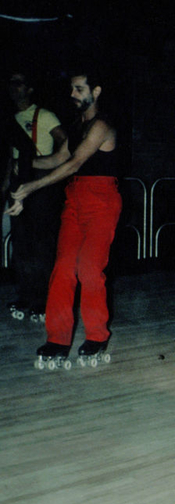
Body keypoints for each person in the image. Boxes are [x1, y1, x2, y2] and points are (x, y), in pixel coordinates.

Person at [7, 70, 123, 367]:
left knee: (88, 269)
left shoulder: (102, 125)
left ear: (95, 91)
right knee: (61, 270)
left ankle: (97, 335)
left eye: (79, 89)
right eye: (72, 89)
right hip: (75, 202)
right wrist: (22, 163)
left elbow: (74, 163)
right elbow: (58, 159)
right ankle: (57, 338)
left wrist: (30, 187)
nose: (73, 94)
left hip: (101, 201)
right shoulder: (77, 125)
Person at [4, 71, 67, 322]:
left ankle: (44, 299)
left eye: (18, 83)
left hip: (40, 181)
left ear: (30, 89)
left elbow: (65, 143)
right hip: (18, 180)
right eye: (11, 83)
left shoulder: (45, 115)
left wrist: (43, 163)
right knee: (21, 242)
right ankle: (25, 295)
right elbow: (10, 156)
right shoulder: (11, 118)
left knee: (41, 242)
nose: (13, 88)